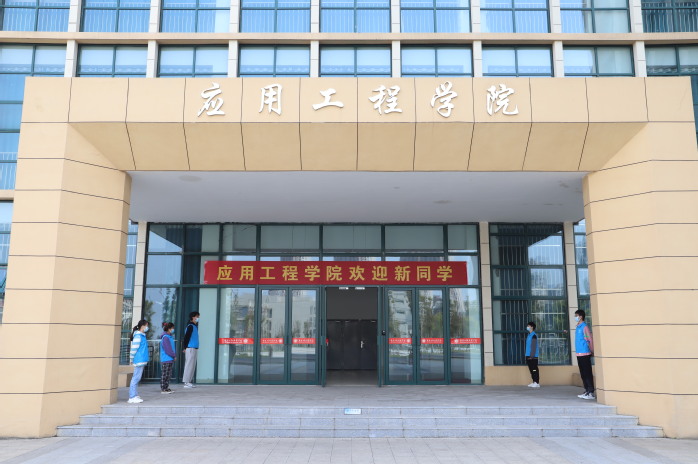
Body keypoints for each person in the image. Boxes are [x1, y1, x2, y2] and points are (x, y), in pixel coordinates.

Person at [575, 309, 595, 400]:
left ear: (581, 316)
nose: (575, 317)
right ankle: (586, 390)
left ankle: (590, 392)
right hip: (579, 354)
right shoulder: (577, 327)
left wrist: (592, 350)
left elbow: (589, 339)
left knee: (587, 373)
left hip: (585, 353)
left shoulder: (584, 327)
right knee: (583, 374)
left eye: (576, 316)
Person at [128, 319, 149, 404]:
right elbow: (134, 349)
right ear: (142, 326)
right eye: (146, 325)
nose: (147, 327)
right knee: (135, 378)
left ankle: (135, 394)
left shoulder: (142, 336)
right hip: (139, 360)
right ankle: (132, 397)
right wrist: (131, 358)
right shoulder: (138, 336)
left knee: (137, 378)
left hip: (142, 359)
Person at [181, 311, 200, 388]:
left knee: (192, 365)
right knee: (189, 365)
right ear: (193, 317)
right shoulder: (190, 326)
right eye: (197, 316)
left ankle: (189, 381)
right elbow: (186, 337)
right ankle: (186, 381)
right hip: (190, 348)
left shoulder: (194, 326)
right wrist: (185, 347)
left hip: (194, 348)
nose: (198, 318)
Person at [160, 322, 176, 394]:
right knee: (165, 374)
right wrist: (173, 355)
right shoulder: (165, 338)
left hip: (169, 358)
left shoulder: (169, 337)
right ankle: (163, 388)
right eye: (172, 328)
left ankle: (166, 387)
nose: (173, 329)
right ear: (169, 329)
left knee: (168, 374)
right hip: (166, 358)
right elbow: (168, 349)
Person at [525, 321, 540, 388]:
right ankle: (534, 381)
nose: (527, 327)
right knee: (531, 369)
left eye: (528, 326)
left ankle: (537, 382)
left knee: (534, 369)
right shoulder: (529, 335)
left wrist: (532, 356)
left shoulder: (534, 335)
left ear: (532, 327)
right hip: (528, 355)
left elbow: (533, 346)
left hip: (533, 356)